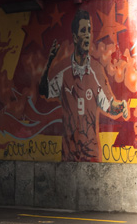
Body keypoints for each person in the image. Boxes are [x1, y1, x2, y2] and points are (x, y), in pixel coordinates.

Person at [39, 9, 127, 162]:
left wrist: (121, 107)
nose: (88, 35)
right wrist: (48, 64)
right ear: (75, 37)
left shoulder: (96, 71)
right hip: (68, 154)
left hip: (91, 154)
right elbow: (44, 92)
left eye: (89, 31)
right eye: (83, 31)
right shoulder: (63, 71)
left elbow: (109, 106)